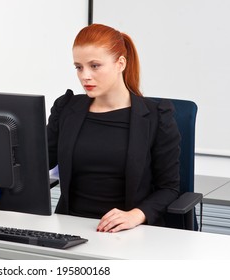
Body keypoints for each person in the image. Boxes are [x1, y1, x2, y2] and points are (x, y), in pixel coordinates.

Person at [47, 23, 181, 233]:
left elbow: (169, 188)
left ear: (120, 63)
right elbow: (37, 163)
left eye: (95, 66)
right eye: (79, 67)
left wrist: (136, 215)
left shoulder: (157, 116)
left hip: (127, 230)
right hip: (69, 227)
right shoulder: (66, 109)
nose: (85, 76)